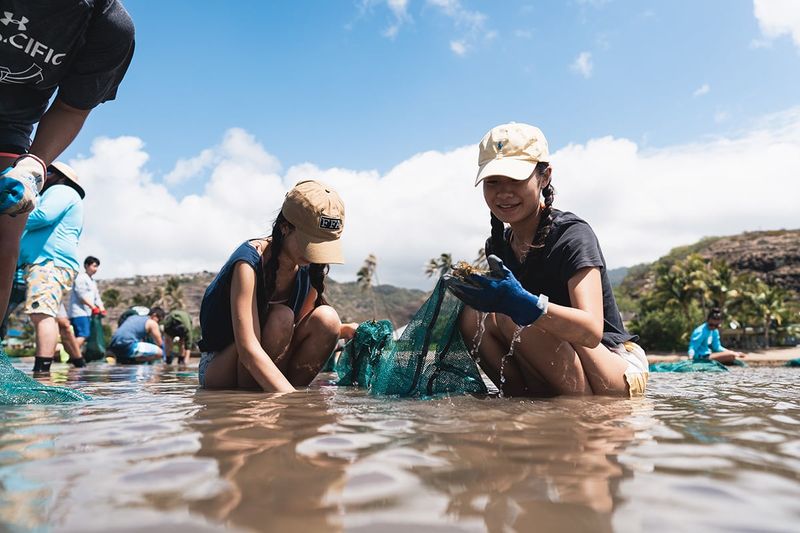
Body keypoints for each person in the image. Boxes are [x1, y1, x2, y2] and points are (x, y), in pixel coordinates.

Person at [445, 122, 648, 397]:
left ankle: (577, 409)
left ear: (545, 177)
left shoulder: (572, 235)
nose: (503, 193)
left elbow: (591, 331)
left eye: (515, 180)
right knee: (472, 316)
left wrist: (529, 306)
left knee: (513, 318)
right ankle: (524, 402)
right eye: (493, 182)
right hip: (556, 356)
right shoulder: (497, 245)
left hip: (613, 364)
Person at [0, 0, 135, 353]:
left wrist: (35, 163)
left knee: (4, 241)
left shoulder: (109, 29)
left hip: (10, 132)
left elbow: (73, 107)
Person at [197, 180, 348, 393]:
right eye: (311, 244)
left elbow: (298, 331)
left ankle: (279, 400)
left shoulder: (310, 268)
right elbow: (248, 349)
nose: (316, 254)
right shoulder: (248, 263)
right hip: (223, 366)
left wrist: (346, 329)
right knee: (281, 316)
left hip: (272, 360)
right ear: (285, 228)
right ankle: (259, 405)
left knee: (328, 319)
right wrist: (293, 403)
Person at [16, 162, 86, 372]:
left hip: (48, 263)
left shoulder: (61, 190)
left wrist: (10, 217)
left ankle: (42, 373)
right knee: (58, 319)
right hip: (46, 264)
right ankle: (79, 365)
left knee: (41, 313)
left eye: (48, 173)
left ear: (60, 177)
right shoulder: (58, 192)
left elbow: (43, 216)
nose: (43, 177)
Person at [68, 255, 105, 351]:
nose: (95, 269)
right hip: (79, 313)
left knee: (82, 335)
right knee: (83, 334)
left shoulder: (92, 281)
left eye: (97, 266)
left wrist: (101, 308)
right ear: (86, 266)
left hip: (87, 313)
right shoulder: (81, 278)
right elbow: (81, 296)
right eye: (94, 266)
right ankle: (72, 354)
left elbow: (96, 297)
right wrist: (93, 307)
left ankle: (74, 355)